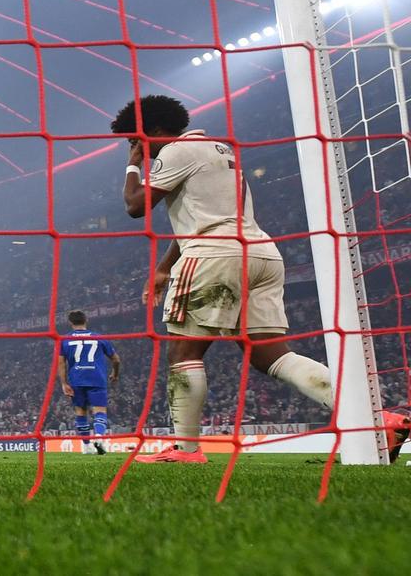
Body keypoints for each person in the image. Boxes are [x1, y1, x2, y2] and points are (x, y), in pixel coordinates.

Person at [115, 95, 334, 463]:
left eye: (135, 139)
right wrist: (166, 266)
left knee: (183, 351)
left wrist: (132, 166)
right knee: (270, 356)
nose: (137, 148)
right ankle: (375, 418)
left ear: (153, 130)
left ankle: (186, 450)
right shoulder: (219, 150)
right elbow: (207, 215)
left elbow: (135, 206)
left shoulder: (176, 151)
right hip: (260, 253)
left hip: (214, 259)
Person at [59, 310, 120, 454]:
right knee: (100, 411)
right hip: (96, 378)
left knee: (81, 412)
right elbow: (116, 359)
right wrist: (115, 374)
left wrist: (64, 383)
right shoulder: (98, 337)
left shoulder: (64, 340)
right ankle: (99, 437)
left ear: (70, 322)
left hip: (76, 379)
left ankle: (86, 446)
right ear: (86, 320)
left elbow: (61, 363)